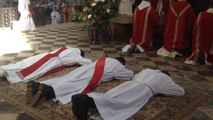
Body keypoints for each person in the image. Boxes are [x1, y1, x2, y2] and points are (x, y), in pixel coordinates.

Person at [72, 68, 185, 120]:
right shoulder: (164, 79)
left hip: (129, 84)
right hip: (141, 90)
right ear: (166, 75)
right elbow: (180, 92)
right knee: (121, 104)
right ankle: (86, 101)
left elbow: (134, 76)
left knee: (110, 96)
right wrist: (167, 84)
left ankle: (86, 98)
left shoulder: (147, 70)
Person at [26, 55, 134, 107]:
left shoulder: (104, 59)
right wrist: (123, 68)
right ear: (121, 63)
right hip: (91, 75)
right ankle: (47, 91)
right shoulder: (118, 66)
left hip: (84, 69)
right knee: (73, 86)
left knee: (66, 78)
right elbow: (129, 75)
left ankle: (37, 86)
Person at [0, 47, 92, 83]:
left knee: (28, 62)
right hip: (54, 61)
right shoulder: (76, 55)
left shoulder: (67, 48)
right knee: (35, 70)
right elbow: (87, 62)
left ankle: (6, 69)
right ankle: (9, 75)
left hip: (47, 55)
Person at [185, 1, 213, 66]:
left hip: (200, 47)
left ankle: (200, 55)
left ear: (209, 6)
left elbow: (194, 30)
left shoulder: (201, 15)